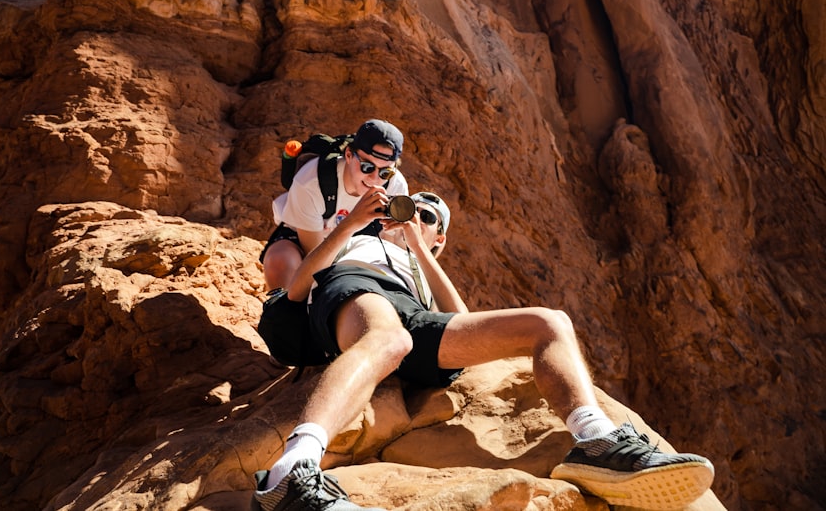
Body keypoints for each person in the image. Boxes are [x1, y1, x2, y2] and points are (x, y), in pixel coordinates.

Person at [252, 189, 714, 511]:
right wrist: (356, 223)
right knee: (389, 339)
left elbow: (459, 316)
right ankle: (291, 472)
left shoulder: (420, 262)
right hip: (353, 286)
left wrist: (418, 244)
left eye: (428, 216)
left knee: (549, 322)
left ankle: (596, 442)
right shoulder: (361, 238)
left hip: (412, 311)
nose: (413, 214)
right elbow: (300, 283)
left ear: (440, 237)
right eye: (410, 206)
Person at [261, 119, 410, 292]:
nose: (375, 179)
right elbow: (314, 258)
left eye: (386, 172)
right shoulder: (311, 181)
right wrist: (352, 221)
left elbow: (391, 245)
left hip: (357, 242)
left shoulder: (395, 186)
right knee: (280, 260)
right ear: (348, 155)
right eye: (367, 166)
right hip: (308, 239)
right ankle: (285, 313)